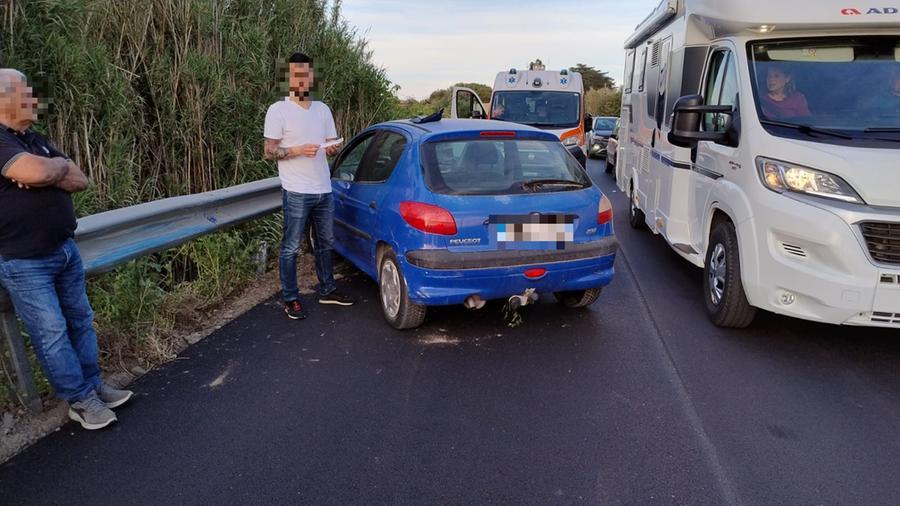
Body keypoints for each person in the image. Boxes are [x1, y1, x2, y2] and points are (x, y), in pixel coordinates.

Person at [0, 69, 132, 430]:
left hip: (64, 250)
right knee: (53, 332)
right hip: (25, 261)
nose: (35, 98)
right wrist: (48, 172)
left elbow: (80, 179)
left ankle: (92, 385)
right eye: (28, 92)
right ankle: (79, 400)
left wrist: (51, 169)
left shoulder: (35, 139)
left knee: (80, 321)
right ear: (6, 98)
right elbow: (37, 174)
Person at [264, 53, 355, 320]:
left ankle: (328, 289)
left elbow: (327, 146)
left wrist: (332, 148)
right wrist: (296, 150)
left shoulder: (322, 109)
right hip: (295, 189)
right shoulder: (278, 110)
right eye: (296, 75)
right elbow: (270, 151)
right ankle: (291, 298)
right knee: (291, 246)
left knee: (326, 242)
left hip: (323, 188)